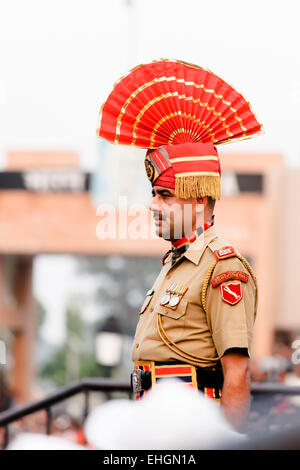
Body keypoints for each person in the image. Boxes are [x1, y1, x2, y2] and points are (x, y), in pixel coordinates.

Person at [97, 59, 262, 432]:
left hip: (192, 434)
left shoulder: (223, 266)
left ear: (199, 201)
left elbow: (237, 376)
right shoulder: (177, 263)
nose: (154, 205)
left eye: (165, 195)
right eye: (153, 194)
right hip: (157, 426)